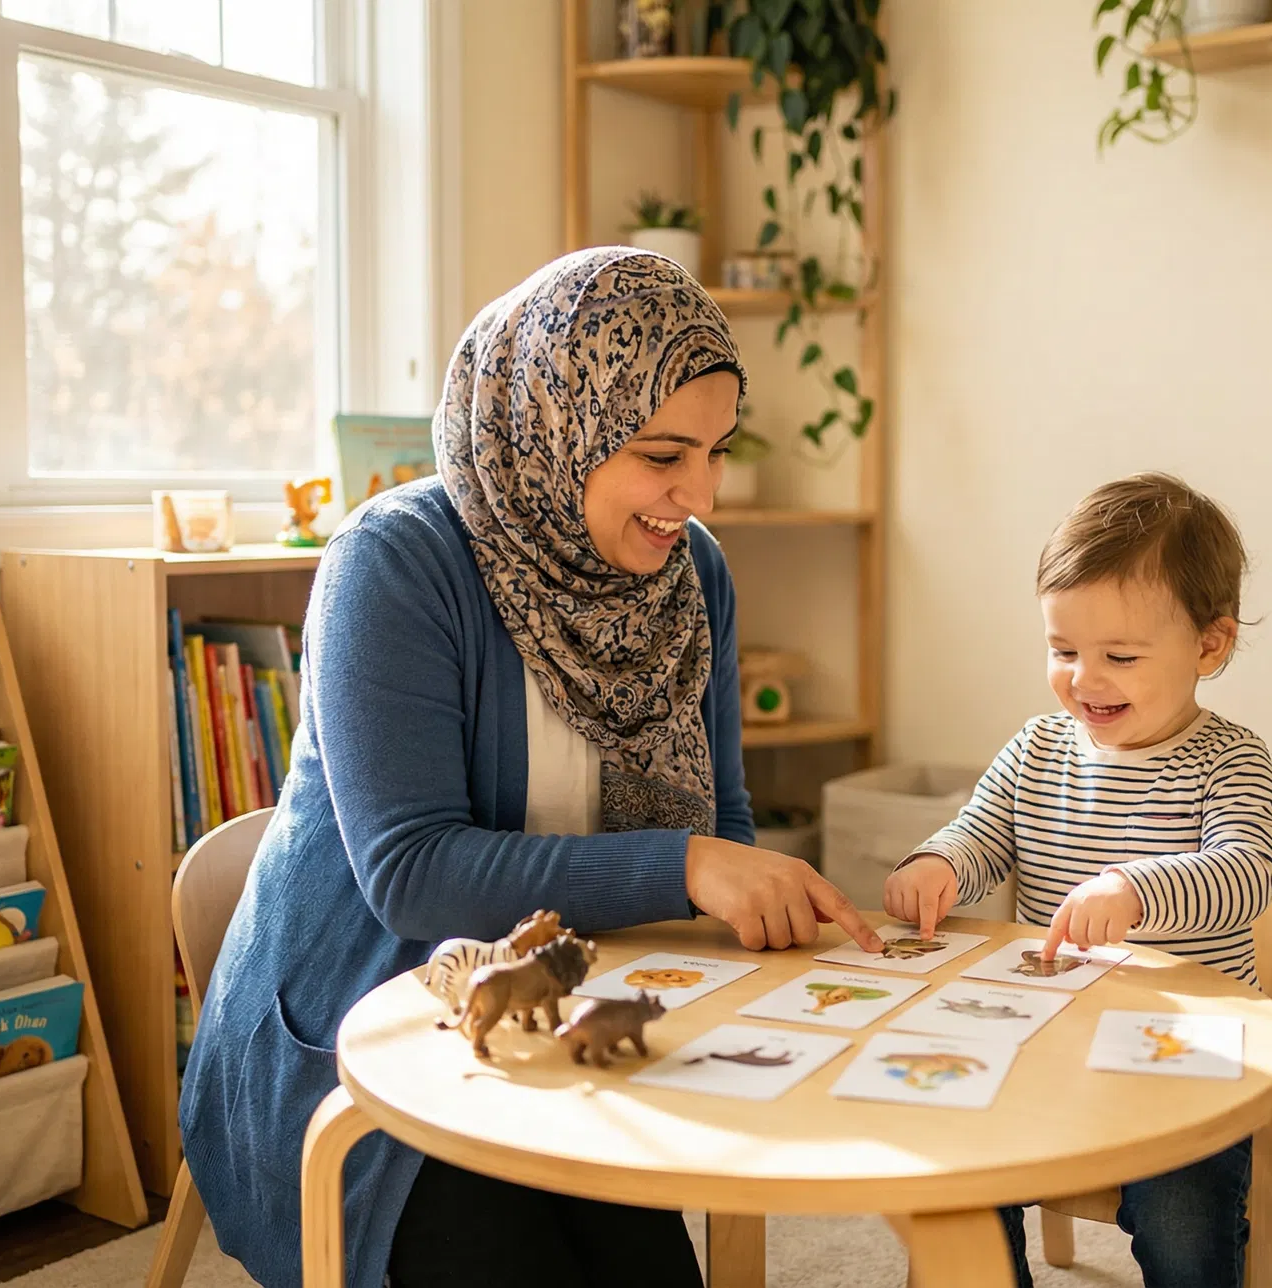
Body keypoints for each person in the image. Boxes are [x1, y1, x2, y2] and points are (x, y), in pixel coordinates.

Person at [179, 248, 882, 1288]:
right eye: (662, 455)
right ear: (559, 423)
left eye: (717, 453)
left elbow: (722, 823)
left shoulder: (693, 580)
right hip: (365, 1029)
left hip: (564, 1016)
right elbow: (413, 873)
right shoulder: (395, 563)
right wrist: (685, 869)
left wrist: (750, 904)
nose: (701, 497)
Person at [883, 473, 1272, 1288]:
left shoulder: (1230, 760)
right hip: (1041, 1040)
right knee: (952, 1163)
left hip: (1184, 1067)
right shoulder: (1037, 748)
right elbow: (981, 834)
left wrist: (1135, 891)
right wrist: (937, 864)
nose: (1084, 679)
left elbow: (1248, 872)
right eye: (1062, 651)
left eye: (1120, 657)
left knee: (1186, 1223)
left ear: (1211, 646)